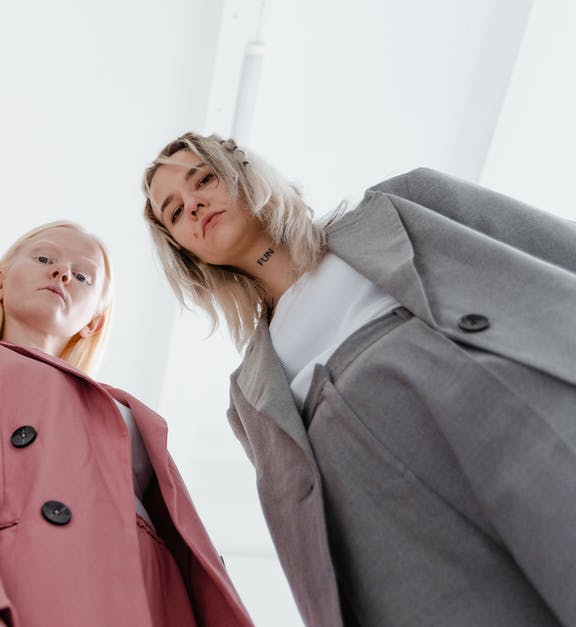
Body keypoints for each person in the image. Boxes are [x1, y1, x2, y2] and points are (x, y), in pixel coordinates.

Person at [141, 132, 576, 626]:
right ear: (187, 253)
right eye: (175, 212)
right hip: (395, 533)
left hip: (501, 414)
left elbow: (551, 247)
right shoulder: (247, 396)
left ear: (244, 172)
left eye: (203, 180)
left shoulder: (401, 208)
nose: (194, 205)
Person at [0, 222, 252, 627]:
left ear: (94, 321)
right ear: (0, 284)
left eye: (83, 276)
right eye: (44, 258)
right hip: (20, 587)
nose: (62, 273)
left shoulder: (128, 408)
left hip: (151, 598)